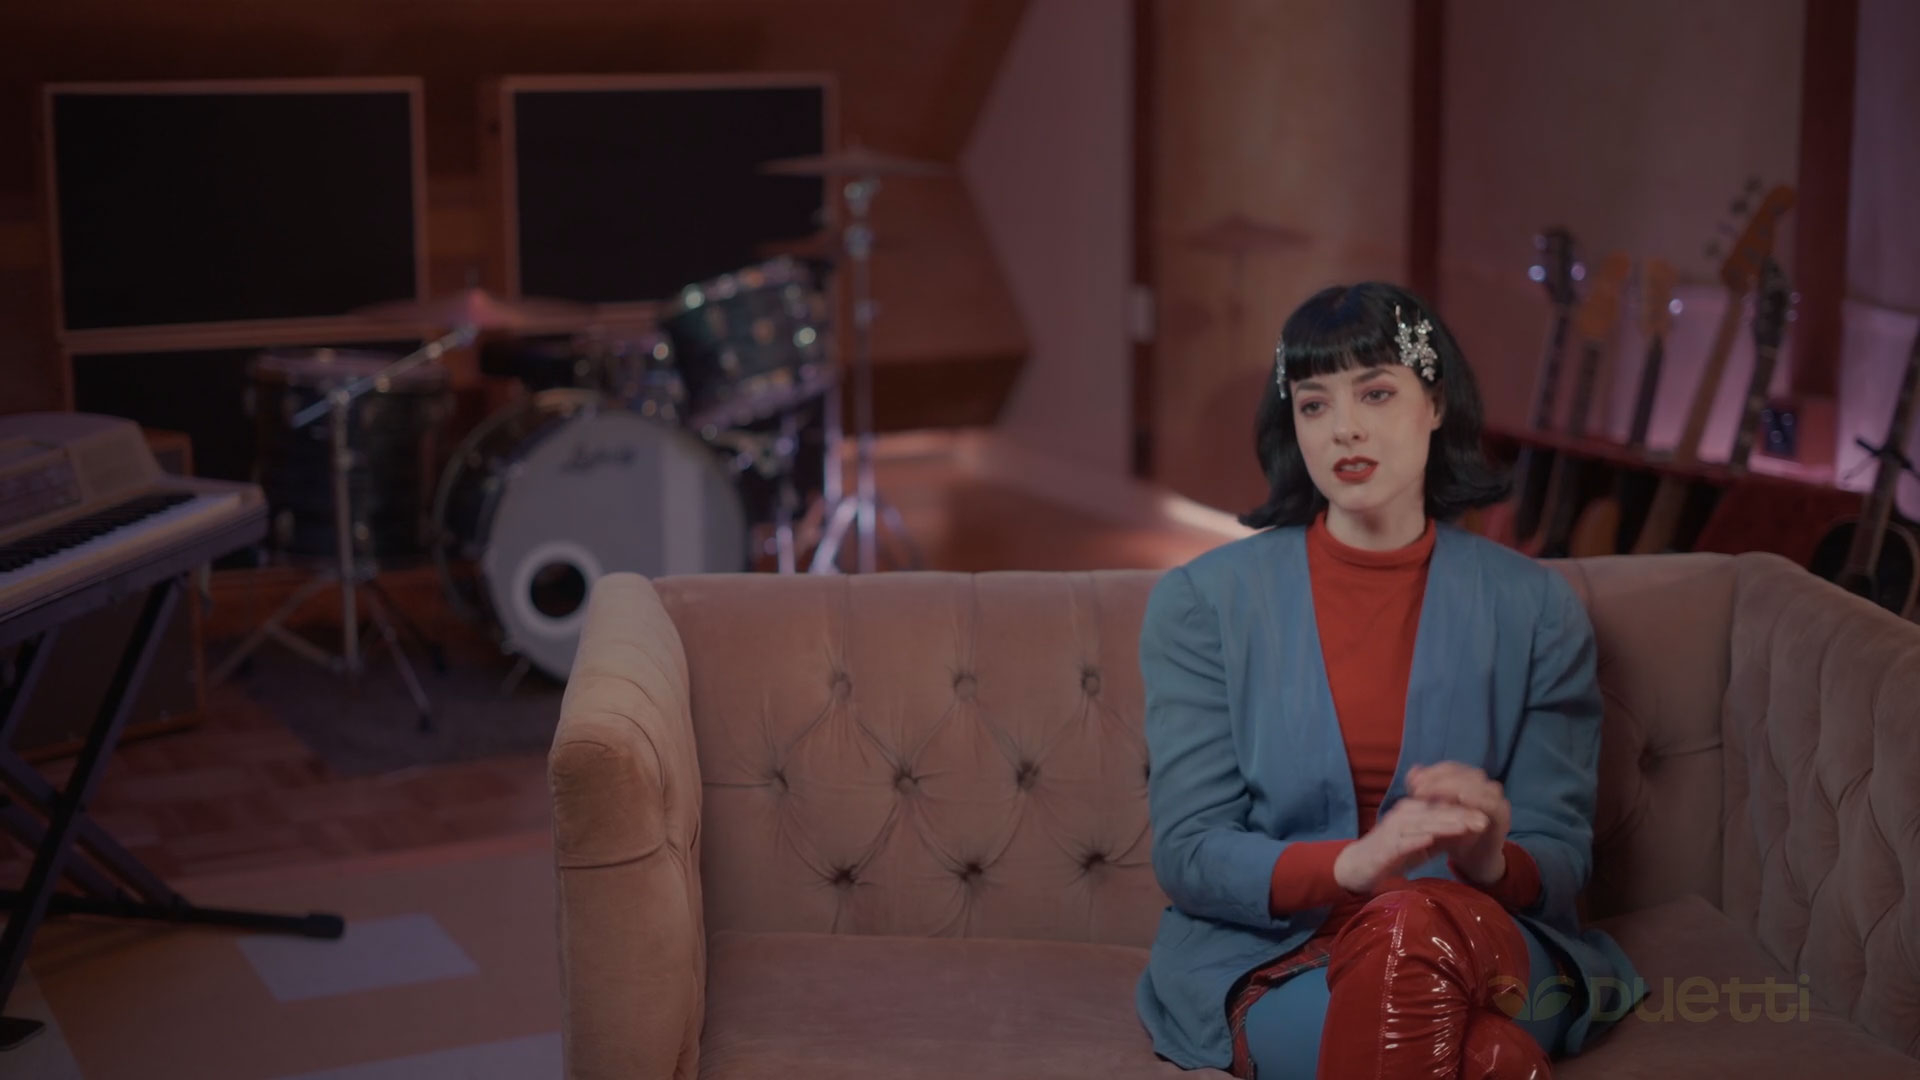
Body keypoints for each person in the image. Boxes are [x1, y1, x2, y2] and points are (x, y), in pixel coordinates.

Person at [1133, 282, 1642, 1079]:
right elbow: (1191, 851)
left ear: (1435, 403)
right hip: (1279, 958)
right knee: (1484, 1055)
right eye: (1314, 404)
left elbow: (1562, 854)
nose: (1345, 427)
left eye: (1375, 393)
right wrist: (1350, 867)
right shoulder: (1202, 604)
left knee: (1413, 926)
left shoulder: (1536, 609)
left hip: (1484, 939)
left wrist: (1490, 858)